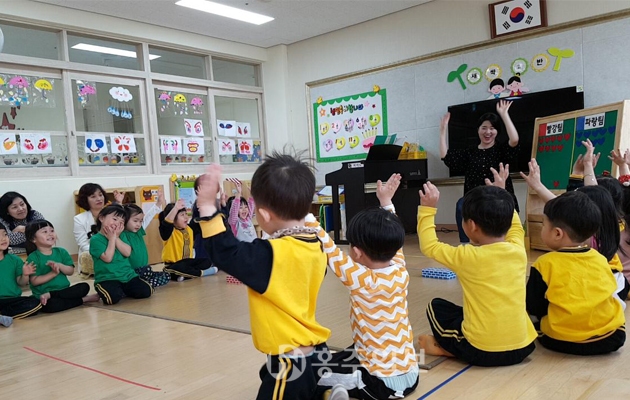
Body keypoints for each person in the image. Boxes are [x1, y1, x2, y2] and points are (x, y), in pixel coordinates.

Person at [194, 153, 335, 400]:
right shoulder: (317, 245)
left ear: (265, 215)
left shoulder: (273, 255)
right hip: (316, 353)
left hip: (290, 362)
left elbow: (226, 253)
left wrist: (207, 207)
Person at [309, 174, 418, 400]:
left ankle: (337, 392)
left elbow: (331, 251)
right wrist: (386, 202)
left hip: (379, 384)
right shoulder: (399, 269)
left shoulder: (361, 279)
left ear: (357, 252)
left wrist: (307, 219)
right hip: (411, 374)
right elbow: (395, 242)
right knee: (340, 356)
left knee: (308, 376)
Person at [417, 164, 537, 366]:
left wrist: (427, 209)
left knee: (435, 307)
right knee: (467, 312)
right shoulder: (518, 250)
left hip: (482, 351)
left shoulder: (467, 256)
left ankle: (449, 349)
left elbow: (430, 246)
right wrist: (502, 193)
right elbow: (516, 227)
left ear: (471, 225)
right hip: (524, 347)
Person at [522, 161, 625, 355]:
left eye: (544, 225)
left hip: (563, 340)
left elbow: (534, 305)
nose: (542, 229)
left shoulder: (544, 264)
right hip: (611, 338)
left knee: (533, 322)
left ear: (557, 233)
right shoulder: (600, 258)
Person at [440, 99, 519, 243]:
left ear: (497, 131)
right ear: (478, 130)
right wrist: (442, 130)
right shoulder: (470, 152)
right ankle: (465, 244)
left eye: (492, 128)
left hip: (498, 197)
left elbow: (514, 140)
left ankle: (501, 243)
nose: (488, 132)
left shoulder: (501, 150)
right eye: (484, 128)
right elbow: (446, 156)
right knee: (461, 205)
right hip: (475, 199)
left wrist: (504, 114)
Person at [25, 220, 99, 312]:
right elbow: (34, 281)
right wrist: (53, 273)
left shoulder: (61, 252)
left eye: (52, 230)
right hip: (44, 295)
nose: (50, 234)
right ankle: (83, 300)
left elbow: (70, 271)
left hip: (64, 291)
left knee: (84, 287)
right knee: (51, 305)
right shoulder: (33, 257)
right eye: (45, 232)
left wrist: (60, 265)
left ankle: (53, 295)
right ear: (33, 239)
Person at [89, 204, 153, 305]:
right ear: (101, 218)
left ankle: (123, 291)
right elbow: (108, 258)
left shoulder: (121, 235)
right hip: (107, 278)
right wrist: (111, 239)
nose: (117, 223)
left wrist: (116, 238)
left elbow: (127, 253)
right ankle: (115, 290)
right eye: (114, 219)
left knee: (146, 291)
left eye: (121, 222)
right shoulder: (95, 239)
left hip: (127, 276)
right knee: (111, 299)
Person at [160, 199, 217, 281]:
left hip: (188, 263)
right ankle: (201, 273)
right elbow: (166, 224)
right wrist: (175, 208)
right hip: (173, 265)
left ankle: (184, 275)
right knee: (178, 268)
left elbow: (201, 220)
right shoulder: (169, 232)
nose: (186, 217)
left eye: (186, 214)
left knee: (206, 261)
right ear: (174, 219)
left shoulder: (189, 229)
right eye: (182, 215)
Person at [73, 183, 124, 276]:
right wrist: (102, 251)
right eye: (93, 196)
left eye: (100, 195)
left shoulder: (112, 213)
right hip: (95, 256)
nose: (99, 199)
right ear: (85, 200)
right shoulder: (79, 219)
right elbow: (83, 244)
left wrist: (119, 203)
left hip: (115, 254)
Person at [122, 200, 171, 289]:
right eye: (135, 221)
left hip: (144, 269)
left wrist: (158, 204)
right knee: (145, 272)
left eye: (140, 221)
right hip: (131, 272)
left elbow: (148, 217)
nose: (138, 224)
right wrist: (118, 202)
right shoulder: (122, 234)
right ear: (124, 220)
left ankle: (144, 284)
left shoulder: (139, 231)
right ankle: (141, 284)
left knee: (166, 275)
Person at [0, 225, 41, 319]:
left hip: (12, 299)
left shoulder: (15, 259)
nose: (3, 239)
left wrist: (25, 275)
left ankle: (3, 314)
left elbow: (21, 283)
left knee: (35, 302)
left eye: (5, 234)